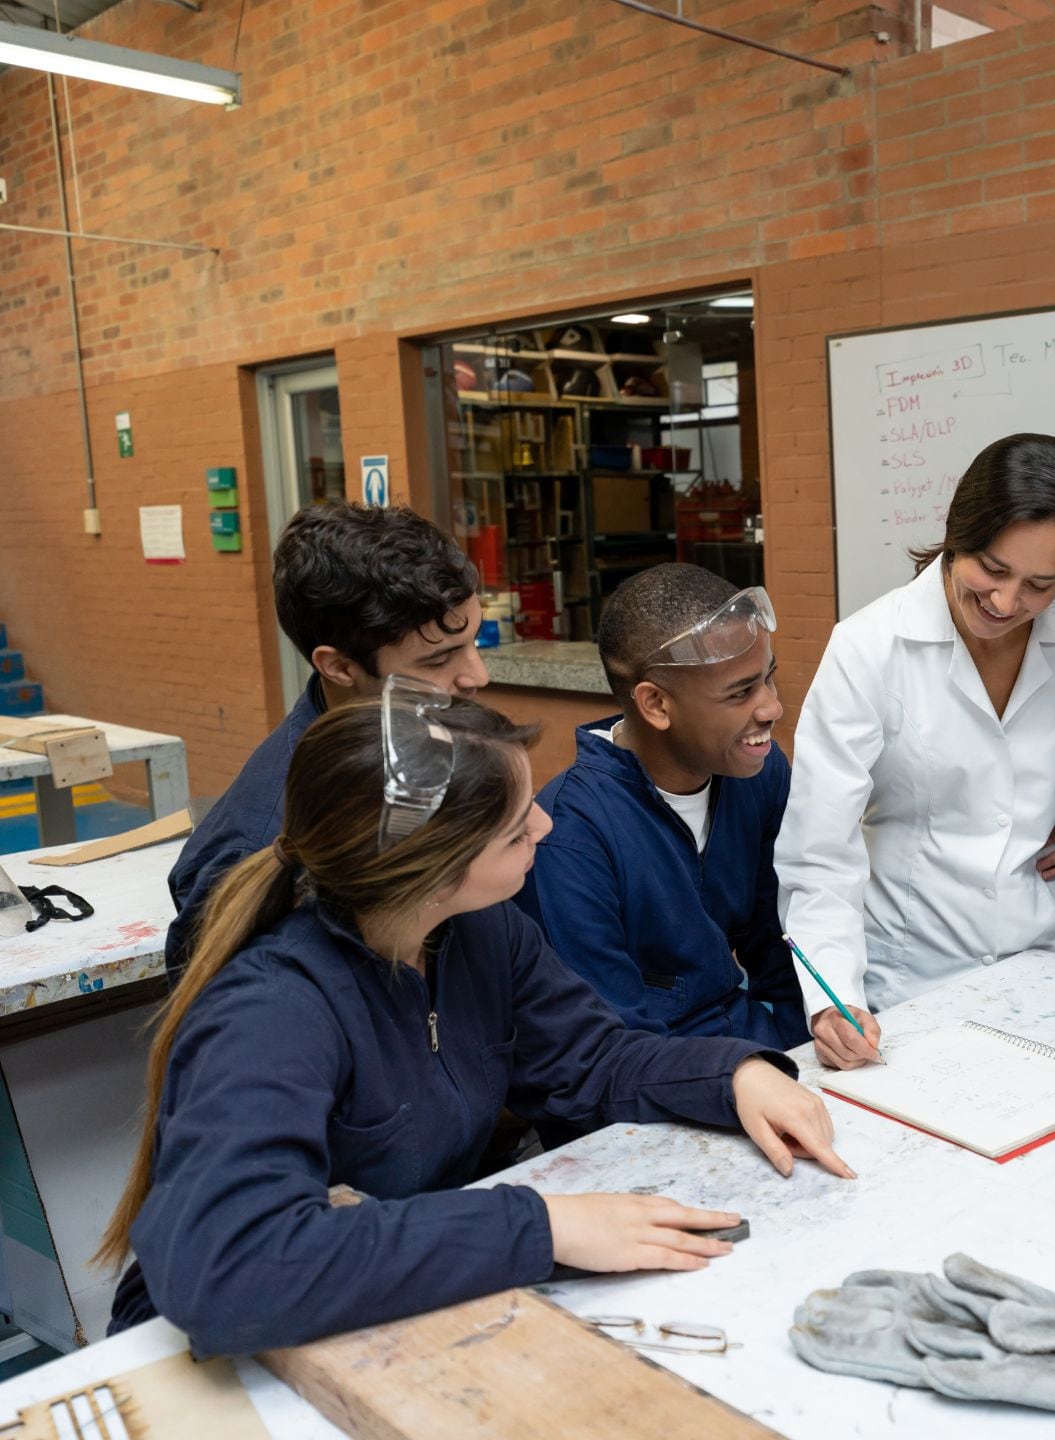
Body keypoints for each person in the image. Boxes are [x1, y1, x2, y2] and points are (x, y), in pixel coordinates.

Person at [99, 690, 851, 1357]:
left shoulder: (479, 932)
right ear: (432, 869)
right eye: (517, 828)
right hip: (222, 1364)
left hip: (387, 1307)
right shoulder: (272, 1010)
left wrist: (735, 1075)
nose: (548, 825)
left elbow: (592, 1060)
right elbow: (234, 1267)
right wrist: (543, 1229)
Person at [777, 434, 1055, 1069]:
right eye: (992, 570)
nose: (1006, 603)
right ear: (957, 533)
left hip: (1053, 963)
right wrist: (833, 999)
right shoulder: (869, 647)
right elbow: (819, 851)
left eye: (1040, 585)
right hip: (911, 977)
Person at [165, 503, 489, 980]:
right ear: (338, 667)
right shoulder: (257, 847)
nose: (478, 675)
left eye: (475, 643)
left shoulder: (428, 734)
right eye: (439, 661)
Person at [519, 565, 805, 1049]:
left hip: (750, 1049)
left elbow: (781, 945)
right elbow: (602, 1054)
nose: (771, 708)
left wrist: (813, 1032)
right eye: (740, 692)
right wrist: (744, 1074)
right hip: (645, 1086)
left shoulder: (757, 773)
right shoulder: (568, 839)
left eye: (768, 680)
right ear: (655, 705)